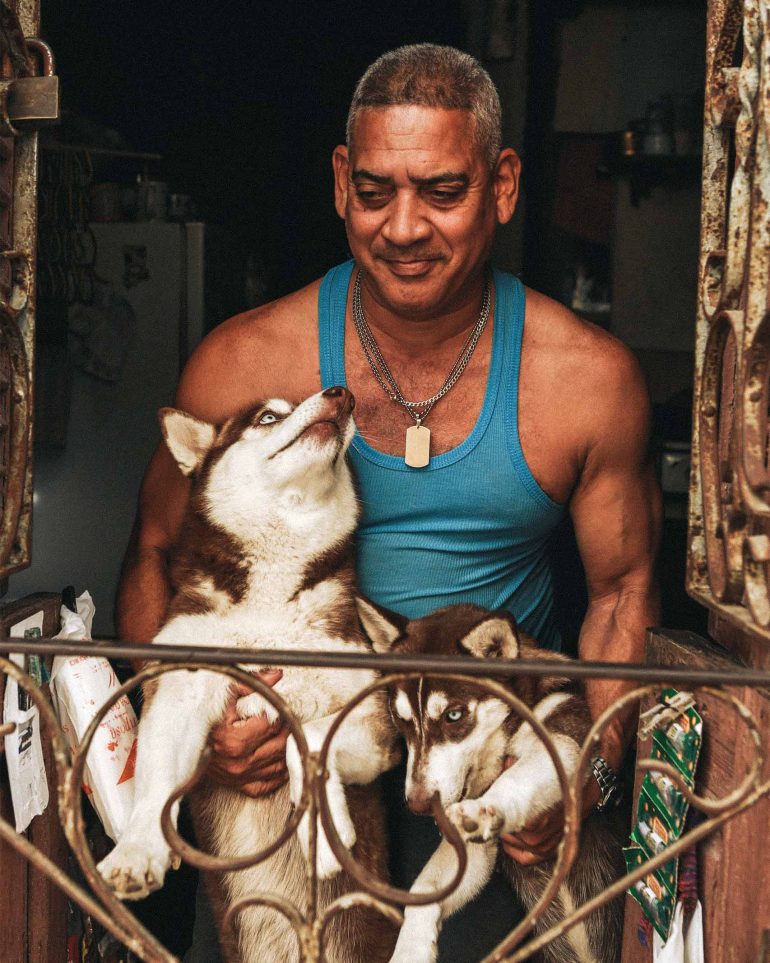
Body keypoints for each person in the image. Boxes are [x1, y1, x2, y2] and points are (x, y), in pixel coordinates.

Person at [117, 44, 660, 961]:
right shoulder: (246, 363)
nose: (403, 226)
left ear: (504, 184)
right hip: (285, 770)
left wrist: (585, 776)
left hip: (483, 765)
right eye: (375, 191)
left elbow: (621, 593)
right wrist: (202, 739)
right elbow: (155, 557)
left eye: (442, 191)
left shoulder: (585, 381)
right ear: (340, 183)